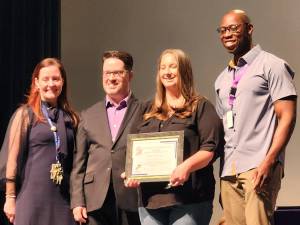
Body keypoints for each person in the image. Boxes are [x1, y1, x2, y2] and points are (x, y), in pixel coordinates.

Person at [215, 9, 297, 225]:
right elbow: (224, 130)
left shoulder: (272, 65)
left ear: (249, 29)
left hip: (258, 166)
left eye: (234, 28)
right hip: (230, 171)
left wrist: (269, 162)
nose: (227, 34)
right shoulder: (222, 79)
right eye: (222, 30)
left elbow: (287, 117)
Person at [124, 49, 223, 225]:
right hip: (150, 201)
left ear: (184, 70)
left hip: (189, 200)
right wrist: (131, 172)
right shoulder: (146, 110)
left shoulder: (201, 107)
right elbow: (133, 149)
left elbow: (210, 148)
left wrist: (186, 166)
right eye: (163, 67)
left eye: (172, 66)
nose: (167, 72)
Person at [0, 58, 79, 225]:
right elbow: (11, 159)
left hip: (63, 201)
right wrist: (10, 197)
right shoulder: (25, 115)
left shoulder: (71, 118)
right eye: (46, 79)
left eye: (56, 79)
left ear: (62, 82)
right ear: (36, 82)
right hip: (31, 200)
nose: (51, 83)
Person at [70, 51, 141, 225]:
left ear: (130, 75)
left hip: (130, 198)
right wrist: (77, 201)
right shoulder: (88, 115)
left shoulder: (144, 110)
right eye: (107, 73)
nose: (111, 78)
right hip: (95, 202)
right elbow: (78, 164)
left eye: (117, 73)